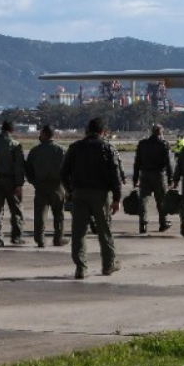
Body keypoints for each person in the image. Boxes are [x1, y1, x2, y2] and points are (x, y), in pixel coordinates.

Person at [60, 117, 122, 279]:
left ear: (87, 130)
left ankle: (81, 267)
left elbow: (63, 173)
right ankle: (108, 264)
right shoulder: (107, 147)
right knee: (104, 230)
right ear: (103, 131)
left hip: (79, 193)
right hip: (100, 195)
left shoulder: (75, 147)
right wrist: (117, 198)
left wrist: (70, 191)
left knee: (79, 232)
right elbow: (115, 176)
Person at [26, 125, 68, 248]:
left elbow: (28, 169)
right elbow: (68, 169)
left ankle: (40, 239)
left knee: (40, 215)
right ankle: (58, 238)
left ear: (44, 134)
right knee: (59, 215)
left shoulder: (35, 151)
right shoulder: (62, 150)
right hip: (57, 186)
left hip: (41, 186)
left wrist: (33, 182)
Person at [0, 120, 27, 246]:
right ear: (12, 130)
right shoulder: (15, 145)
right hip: (11, 181)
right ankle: (16, 236)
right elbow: (19, 167)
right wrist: (19, 184)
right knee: (16, 210)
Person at [133, 124, 173, 233]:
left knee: (143, 200)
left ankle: (143, 224)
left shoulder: (143, 144)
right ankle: (163, 222)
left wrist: (135, 177)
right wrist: (170, 178)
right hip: (159, 175)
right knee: (161, 200)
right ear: (160, 133)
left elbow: (137, 162)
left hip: (145, 174)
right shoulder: (164, 144)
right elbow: (169, 163)